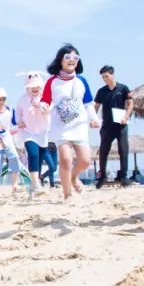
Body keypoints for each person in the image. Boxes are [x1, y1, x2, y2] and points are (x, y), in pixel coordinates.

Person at [40, 43, 101, 200]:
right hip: (61, 126)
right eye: (68, 57)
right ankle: (67, 194)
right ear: (60, 60)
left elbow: (88, 103)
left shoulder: (82, 81)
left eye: (75, 57)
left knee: (85, 161)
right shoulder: (52, 81)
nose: (72, 60)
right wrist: (43, 107)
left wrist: (94, 118)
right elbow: (45, 100)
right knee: (66, 160)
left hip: (79, 125)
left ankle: (74, 177)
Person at [93, 65, 134, 188]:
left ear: (112, 75)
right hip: (107, 125)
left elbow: (131, 104)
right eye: (103, 77)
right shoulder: (101, 91)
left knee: (123, 150)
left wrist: (126, 117)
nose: (105, 78)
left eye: (107, 76)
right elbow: (96, 107)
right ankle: (103, 176)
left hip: (120, 125)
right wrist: (93, 119)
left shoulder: (124, 88)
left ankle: (124, 176)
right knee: (103, 151)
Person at [15, 72, 51, 199]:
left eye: (37, 86)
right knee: (33, 154)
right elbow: (18, 113)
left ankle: (33, 187)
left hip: (42, 132)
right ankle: (36, 185)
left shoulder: (45, 97)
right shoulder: (22, 99)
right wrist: (19, 121)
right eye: (31, 86)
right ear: (27, 87)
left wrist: (44, 109)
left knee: (39, 159)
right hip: (27, 131)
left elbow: (50, 111)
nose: (34, 88)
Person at [0, 87, 25, 197]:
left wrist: (20, 125)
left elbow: (14, 123)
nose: (1, 102)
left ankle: (15, 185)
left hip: (8, 140)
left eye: (3, 99)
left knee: (14, 158)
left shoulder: (10, 110)